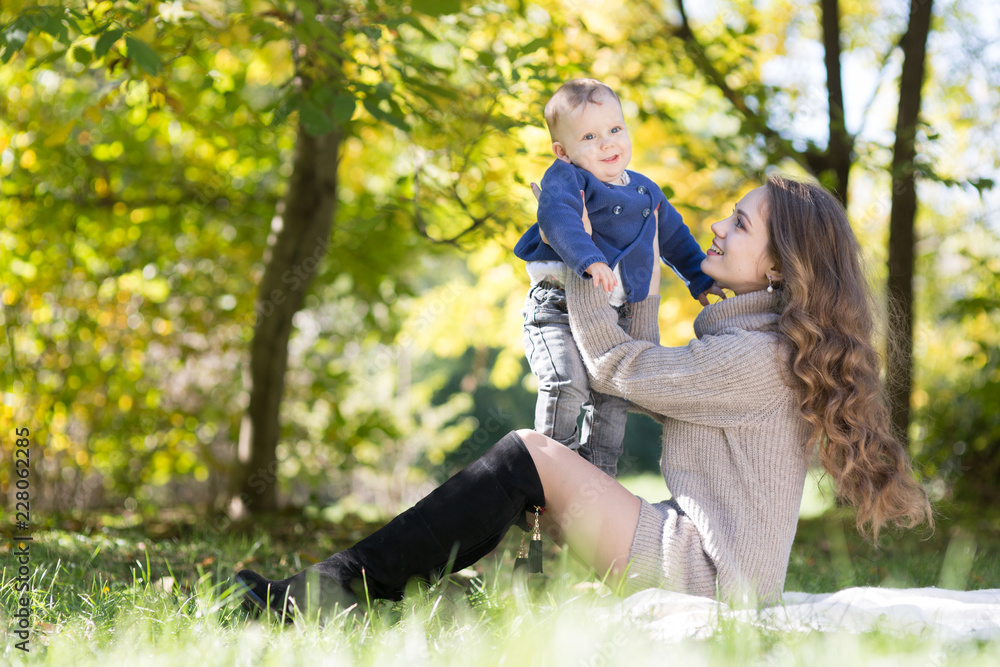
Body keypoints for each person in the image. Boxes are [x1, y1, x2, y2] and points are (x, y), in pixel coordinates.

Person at [236, 176, 932, 618]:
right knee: (542, 473)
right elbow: (650, 366)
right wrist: (642, 268)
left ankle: (321, 594)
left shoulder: (754, 358)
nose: (719, 226)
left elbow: (612, 366)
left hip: (707, 577)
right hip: (703, 557)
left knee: (526, 456)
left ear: (779, 267)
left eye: (741, 225)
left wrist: (579, 256)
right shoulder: (758, 347)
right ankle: (390, 591)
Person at [514, 78, 717, 477]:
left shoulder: (645, 190)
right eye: (589, 136)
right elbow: (557, 219)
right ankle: (551, 473)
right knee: (566, 383)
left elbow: (674, 238)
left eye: (615, 129)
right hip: (556, 306)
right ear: (563, 151)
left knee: (613, 400)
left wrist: (699, 277)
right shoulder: (567, 178)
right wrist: (588, 257)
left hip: (615, 314)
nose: (608, 143)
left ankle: (599, 477)